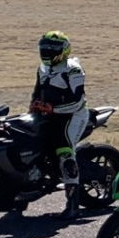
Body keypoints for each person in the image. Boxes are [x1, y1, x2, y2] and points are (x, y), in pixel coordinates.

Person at [30, 31, 89, 218]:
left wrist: (53, 109)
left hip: (73, 115)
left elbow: (78, 101)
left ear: (63, 50)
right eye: (44, 47)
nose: (47, 51)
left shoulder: (72, 69)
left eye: (52, 48)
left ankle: (73, 205)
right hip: (51, 114)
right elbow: (36, 94)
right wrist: (33, 109)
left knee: (64, 151)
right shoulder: (42, 68)